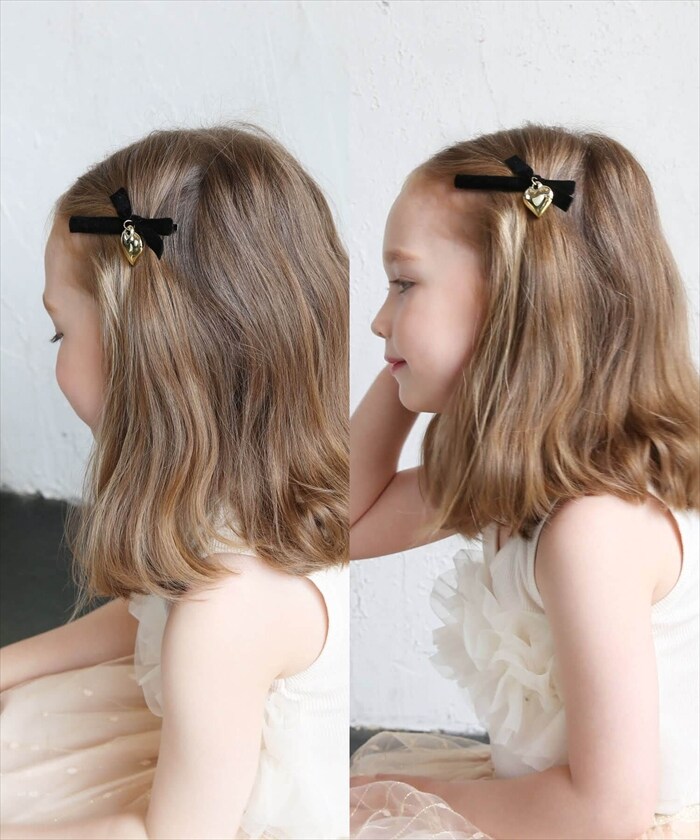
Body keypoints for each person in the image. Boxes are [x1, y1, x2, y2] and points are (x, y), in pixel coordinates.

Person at [348, 123, 699, 840]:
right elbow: (336, 526)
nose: (380, 320)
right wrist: (406, 362)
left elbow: (608, 814)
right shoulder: (518, 474)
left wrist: (399, 795)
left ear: (515, 304)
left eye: (404, 284)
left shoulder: (593, 529)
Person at [0, 122, 349, 840]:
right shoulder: (262, 495)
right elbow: (150, 613)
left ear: (144, 356)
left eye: (60, 331)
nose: (56, 359)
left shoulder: (228, 613)